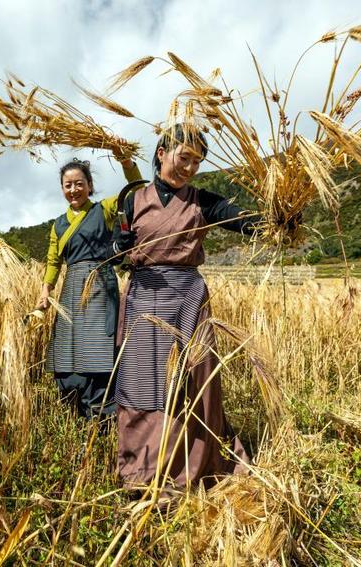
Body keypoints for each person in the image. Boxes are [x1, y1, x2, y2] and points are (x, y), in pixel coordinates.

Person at [112, 124, 260, 496]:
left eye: (197, 161)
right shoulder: (133, 199)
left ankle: (195, 462)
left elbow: (241, 219)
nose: (190, 167)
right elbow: (119, 246)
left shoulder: (203, 201)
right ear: (162, 153)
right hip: (144, 296)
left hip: (187, 298)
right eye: (184, 157)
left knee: (191, 384)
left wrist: (275, 218)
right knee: (142, 385)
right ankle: (142, 470)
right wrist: (121, 243)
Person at [39, 155, 143, 420]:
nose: (73, 190)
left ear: (89, 185)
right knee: (67, 347)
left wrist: (127, 164)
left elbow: (138, 193)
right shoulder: (58, 224)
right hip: (71, 287)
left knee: (98, 345)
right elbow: (54, 260)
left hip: (100, 283)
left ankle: (102, 415)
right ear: (62, 188)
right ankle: (74, 409)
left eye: (79, 183)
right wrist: (45, 290)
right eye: (67, 185)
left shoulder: (105, 209)